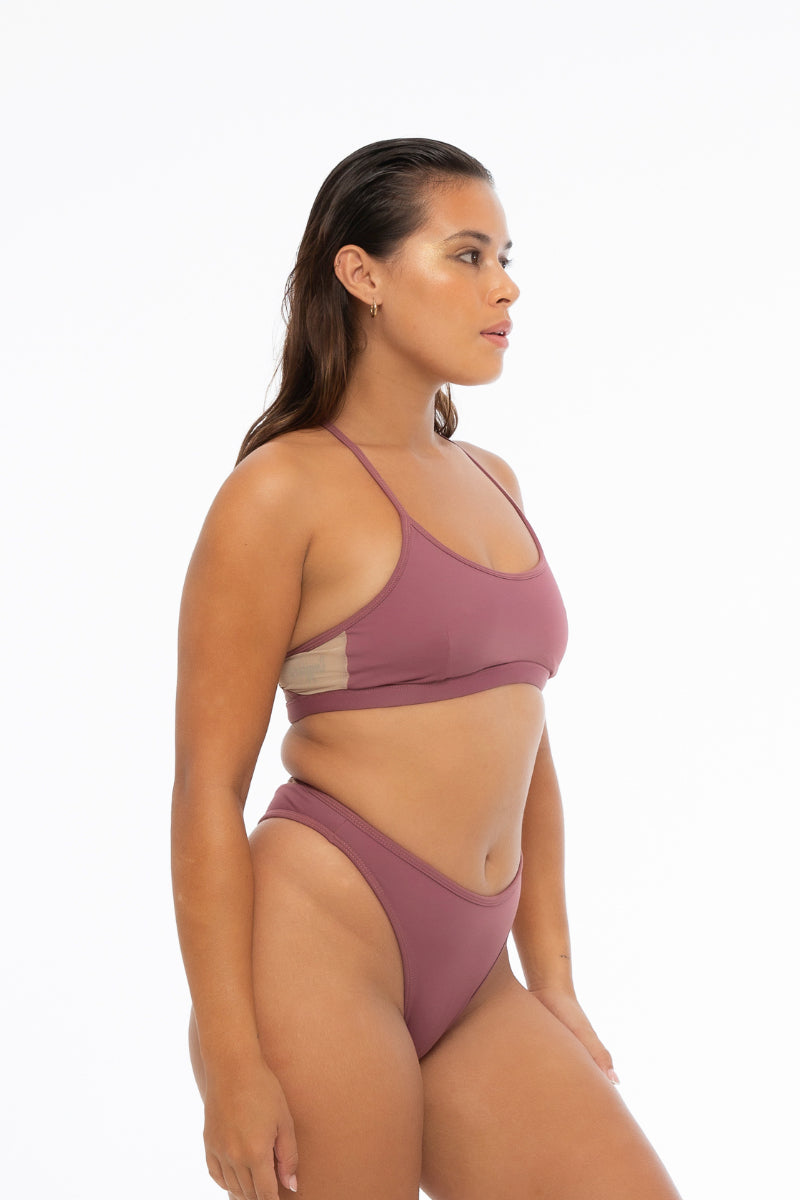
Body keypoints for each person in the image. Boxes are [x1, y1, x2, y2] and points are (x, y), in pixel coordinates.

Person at [171, 137, 682, 1200]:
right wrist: (231, 1059)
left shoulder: (492, 479)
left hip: (476, 971)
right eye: (466, 254)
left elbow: (527, 748)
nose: (504, 286)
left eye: (504, 257)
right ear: (362, 275)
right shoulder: (279, 492)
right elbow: (205, 792)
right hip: (318, 944)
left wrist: (553, 980)